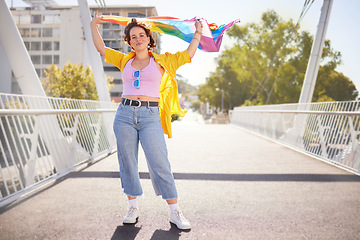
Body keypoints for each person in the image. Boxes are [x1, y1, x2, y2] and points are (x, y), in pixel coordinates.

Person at [90, 16, 203, 230]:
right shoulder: (124, 60)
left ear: (149, 38)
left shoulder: (163, 61)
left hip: (150, 116)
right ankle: (132, 207)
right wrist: (93, 24)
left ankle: (175, 211)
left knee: (160, 162)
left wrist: (197, 32)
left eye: (142, 35)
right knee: (127, 162)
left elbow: (188, 54)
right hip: (124, 114)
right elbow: (101, 48)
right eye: (133, 37)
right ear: (129, 41)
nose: (138, 39)